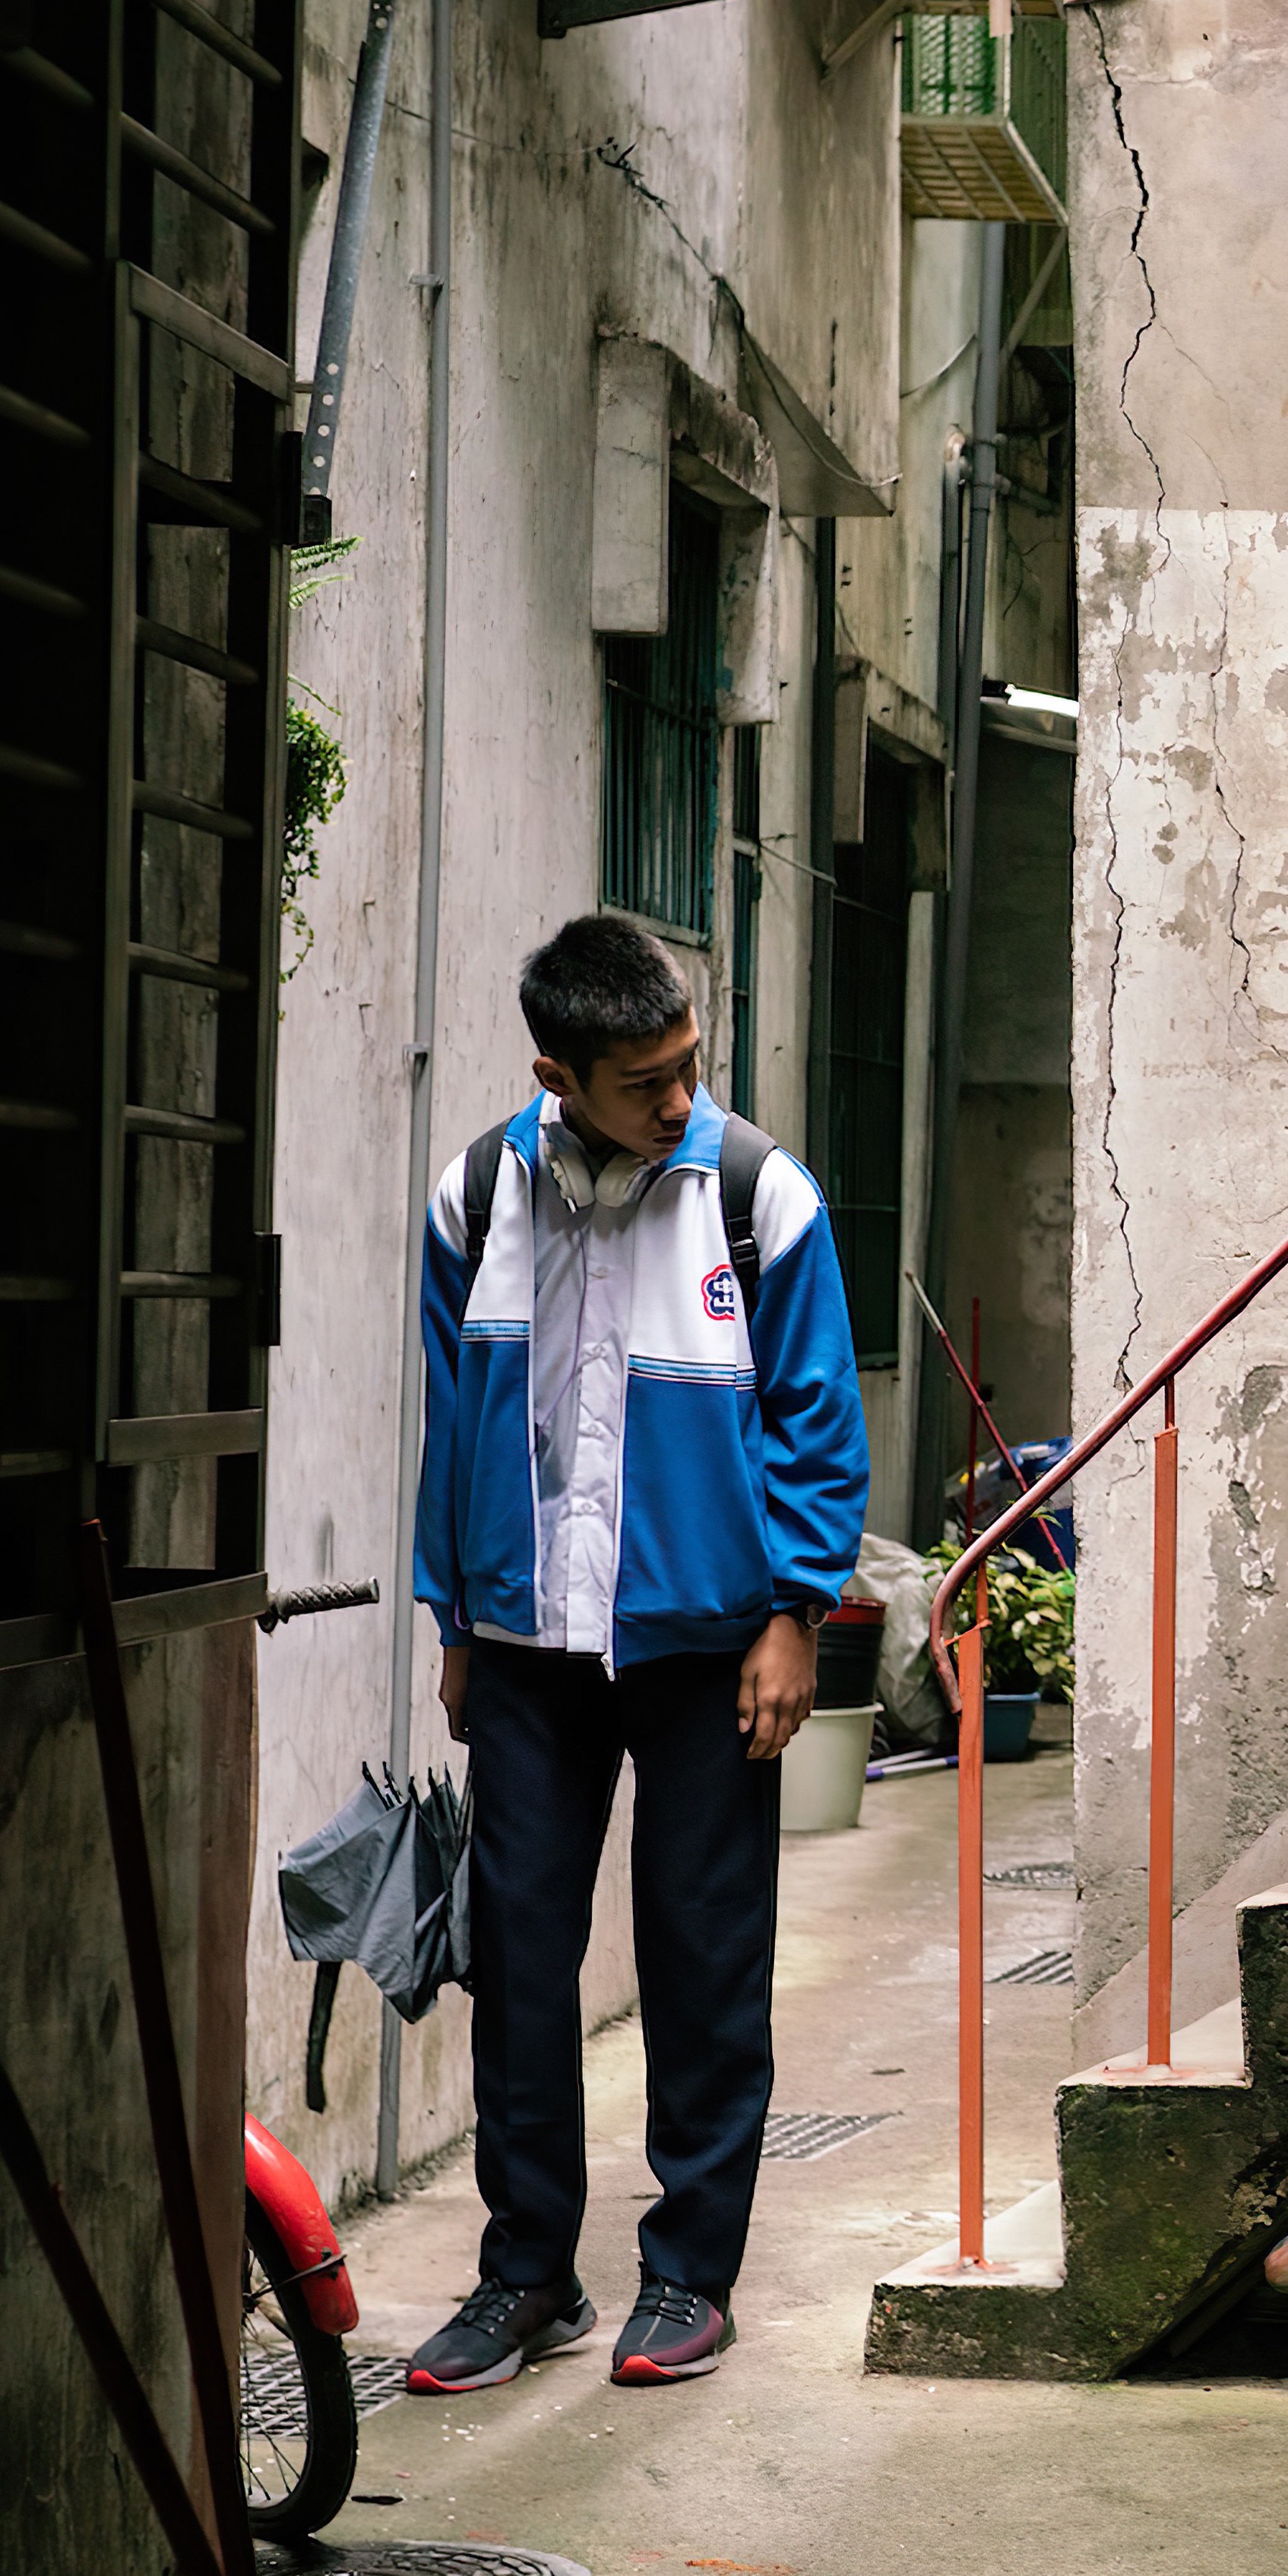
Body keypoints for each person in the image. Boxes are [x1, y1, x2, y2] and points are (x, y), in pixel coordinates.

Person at [407, 913, 866, 2392]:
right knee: (519, 1964)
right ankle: (525, 2275)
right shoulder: (476, 1196)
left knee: (703, 1959)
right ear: (558, 1074)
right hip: (526, 1643)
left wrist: (794, 1613)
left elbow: (816, 1419)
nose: (679, 1099)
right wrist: (454, 1620)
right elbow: (450, 1419)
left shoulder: (756, 1194)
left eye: (687, 1065)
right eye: (643, 1081)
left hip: (708, 1645)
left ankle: (689, 2274)